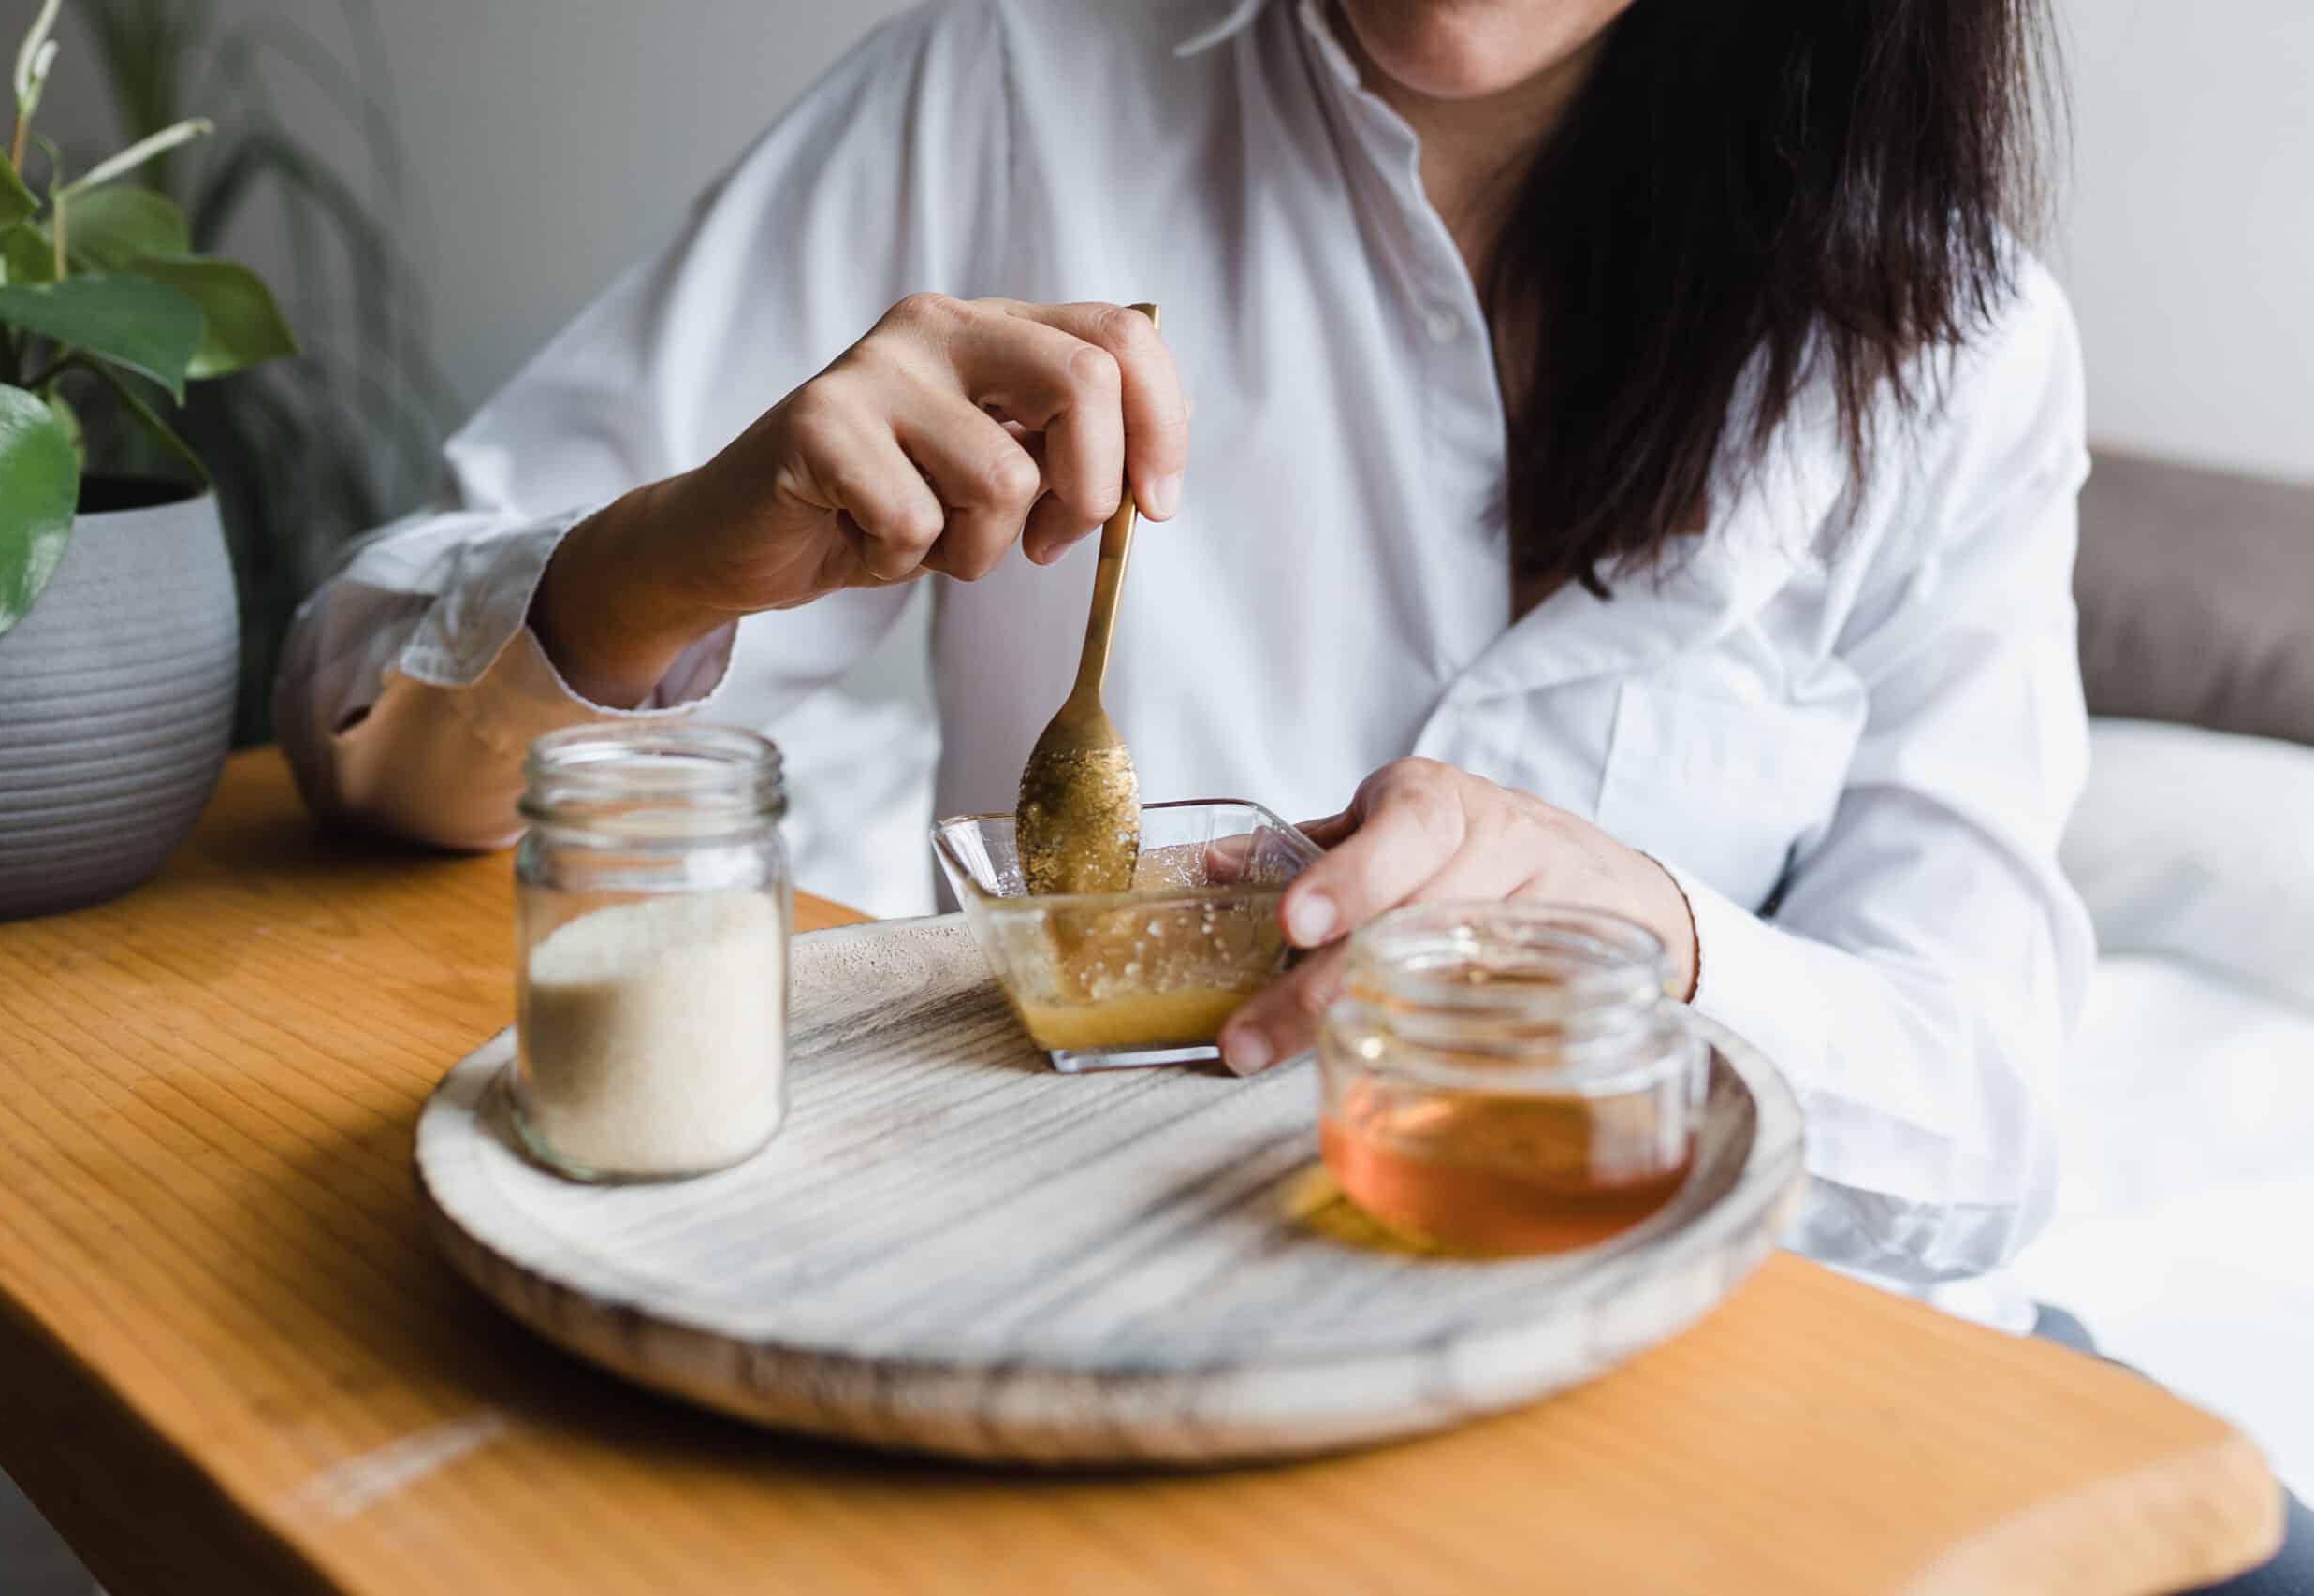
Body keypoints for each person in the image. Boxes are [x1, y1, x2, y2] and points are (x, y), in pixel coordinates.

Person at [278, 3, 2305, 1585]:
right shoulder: (1015, 90)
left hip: (1761, 1395)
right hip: (1113, 1377)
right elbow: (359, 696)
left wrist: (1655, 937)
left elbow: (1981, 1118)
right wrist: (672, 556)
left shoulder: (1950, 343)